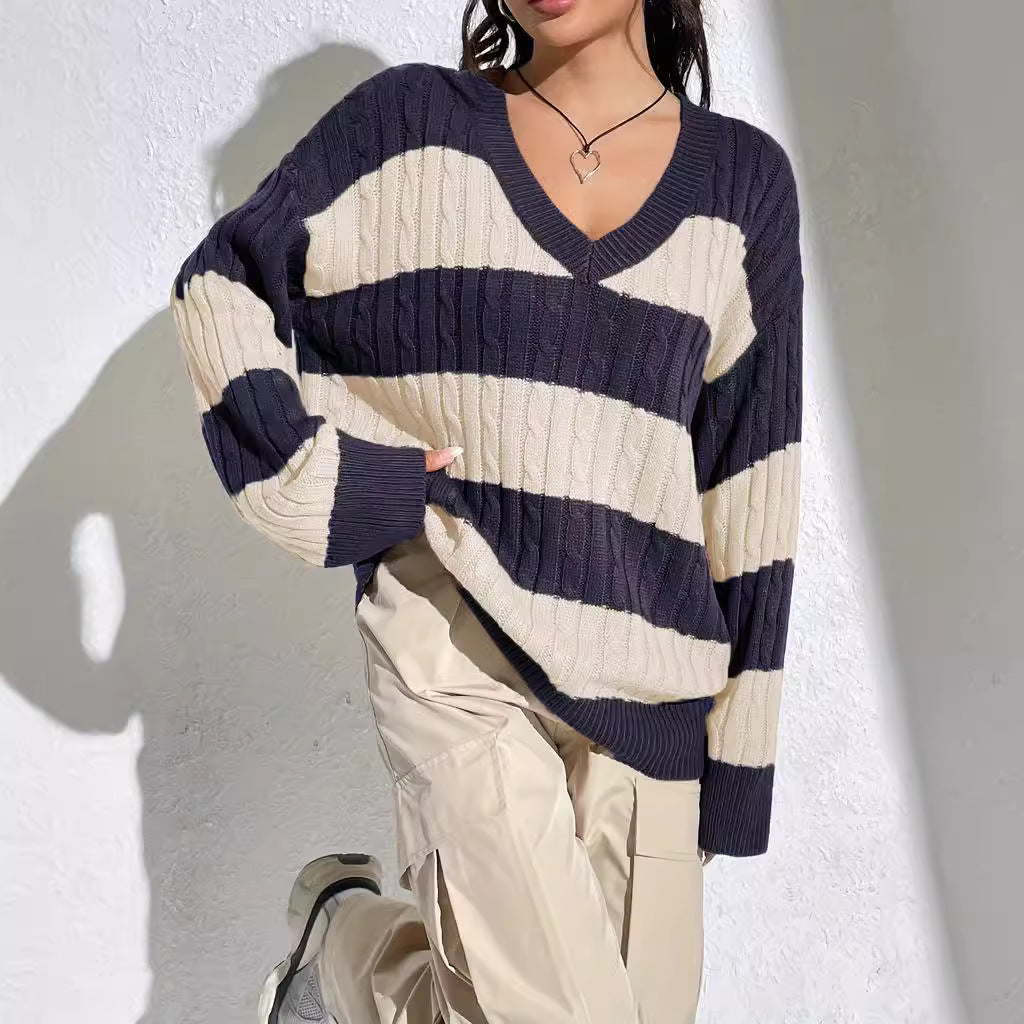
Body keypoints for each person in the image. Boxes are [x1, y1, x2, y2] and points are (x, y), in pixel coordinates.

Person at [168, 0, 804, 1020]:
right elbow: (222, 284)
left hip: (648, 674)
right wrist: (330, 484)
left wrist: (737, 761)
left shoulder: (742, 184)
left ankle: (344, 948)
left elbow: (752, 480)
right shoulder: (410, 126)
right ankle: (344, 945)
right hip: (451, 631)